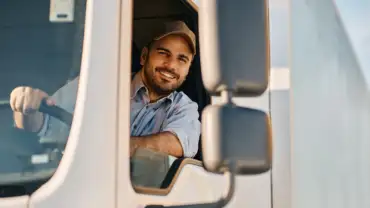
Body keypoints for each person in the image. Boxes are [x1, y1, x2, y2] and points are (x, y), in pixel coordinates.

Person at [9, 20, 201, 158]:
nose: (171, 66)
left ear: (188, 69)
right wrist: (25, 106)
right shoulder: (98, 84)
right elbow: (41, 124)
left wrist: (104, 150)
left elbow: (177, 144)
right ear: (144, 57)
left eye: (181, 59)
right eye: (163, 53)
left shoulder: (185, 107)